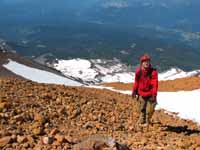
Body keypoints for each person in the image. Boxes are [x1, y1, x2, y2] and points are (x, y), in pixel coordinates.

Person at [132, 54, 158, 125]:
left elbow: (155, 84)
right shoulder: (138, 72)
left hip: (150, 94)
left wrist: (154, 95)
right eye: (144, 61)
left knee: (150, 109)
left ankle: (147, 120)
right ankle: (142, 119)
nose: (146, 63)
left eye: (148, 61)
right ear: (142, 63)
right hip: (141, 93)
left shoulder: (153, 72)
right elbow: (136, 82)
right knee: (142, 108)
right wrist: (134, 91)